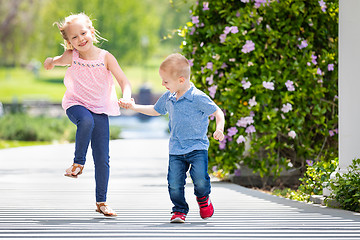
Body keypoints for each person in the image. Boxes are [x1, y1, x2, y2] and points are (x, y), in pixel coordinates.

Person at [44, 13, 133, 217]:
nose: (80, 39)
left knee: (102, 158)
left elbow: (124, 81)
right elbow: (55, 60)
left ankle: (101, 202)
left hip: (100, 108)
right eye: (74, 37)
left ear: (91, 31)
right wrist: (50, 61)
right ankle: (78, 163)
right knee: (85, 120)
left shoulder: (106, 57)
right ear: (69, 42)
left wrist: (127, 97)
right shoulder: (72, 56)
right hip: (76, 104)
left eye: (83, 33)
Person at [118, 53, 225, 223]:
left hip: (197, 147)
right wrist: (133, 106)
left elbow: (217, 112)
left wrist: (220, 128)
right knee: (174, 184)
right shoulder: (169, 97)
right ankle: (179, 210)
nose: (162, 84)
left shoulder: (198, 97)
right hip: (176, 149)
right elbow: (155, 110)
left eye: (166, 81)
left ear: (181, 80)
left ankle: (203, 199)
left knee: (200, 179)